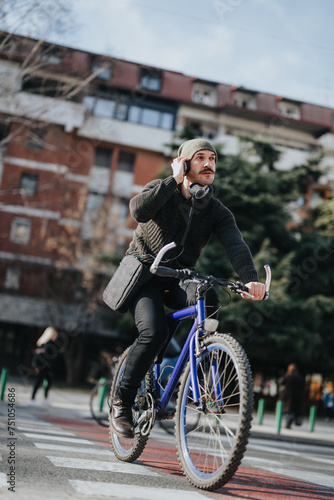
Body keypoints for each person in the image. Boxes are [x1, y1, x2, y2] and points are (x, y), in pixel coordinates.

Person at [110, 138, 266, 438]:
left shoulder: (216, 210)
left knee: (208, 296)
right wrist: (173, 181)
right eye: (200, 158)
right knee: (153, 332)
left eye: (212, 159)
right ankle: (122, 402)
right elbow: (139, 212)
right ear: (184, 163)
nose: (208, 164)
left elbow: (236, 245)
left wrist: (250, 279)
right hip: (145, 275)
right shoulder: (162, 190)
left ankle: (192, 363)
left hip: (180, 277)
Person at [29, 326, 61, 406]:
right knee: (39, 382)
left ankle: (44, 398)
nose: (56, 337)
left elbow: (38, 352)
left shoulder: (42, 342)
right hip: (43, 366)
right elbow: (49, 354)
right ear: (51, 335)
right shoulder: (49, 343)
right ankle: (32, 399)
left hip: (42, 366)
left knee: (49, 380)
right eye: (55, 335)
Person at [279, 363, 304, 428]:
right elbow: (301, 386)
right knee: (292, 410)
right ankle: (289, 421)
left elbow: (282, 383)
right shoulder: (298, 377)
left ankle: (288, 421)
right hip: (295, 396)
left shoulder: (287, 375)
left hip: (286, 395)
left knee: (286, 410)